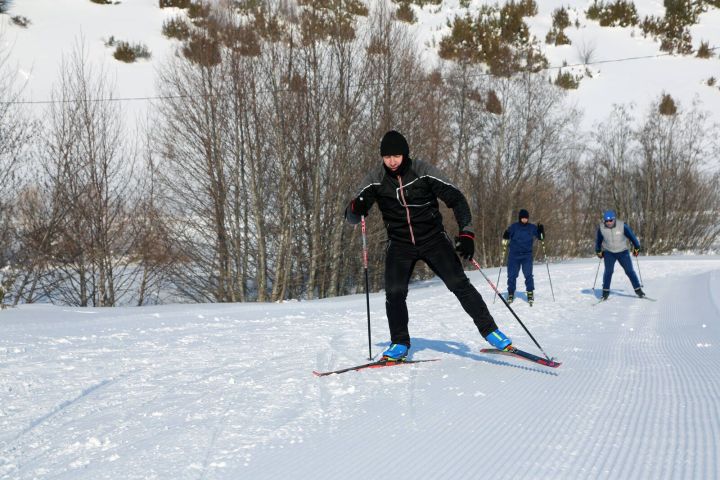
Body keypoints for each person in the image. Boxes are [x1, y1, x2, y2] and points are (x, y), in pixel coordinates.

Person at [344, 130, 512, 360]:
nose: (392, 161)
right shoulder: (375, 179)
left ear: (405, 154)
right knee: (394, 293)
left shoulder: (423, 172)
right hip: (399, 243)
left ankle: (492, 332)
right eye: (387, 157)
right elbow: (352, 216)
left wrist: (467, 234)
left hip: (433, 239)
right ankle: (399, 344)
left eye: (396, 156)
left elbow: (457, 198)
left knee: (458, 283)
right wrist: (356, 208)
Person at [595, 210, 645, 300]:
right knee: (608, 272)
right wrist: (598, 251)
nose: (608, 223)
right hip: (609, 252)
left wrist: (637, 247)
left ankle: (638, 290)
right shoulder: (601, 228)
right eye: (606, 221)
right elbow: (598, 241)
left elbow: (632, 237)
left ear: (614, 219)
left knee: (629, 271)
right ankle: (605, 293)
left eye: (610, 221)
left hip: (622, 251)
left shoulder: (622, 226)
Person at [502, 209, 544, 305]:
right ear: (520, 218)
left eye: (526, 218)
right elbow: (506, 236)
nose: (524, 220)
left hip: (527, 255)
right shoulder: (514, 227)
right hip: (514, 255)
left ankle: (530, 292)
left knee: (528, 275)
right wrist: (506, 234)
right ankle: (511, 293)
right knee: (512, 275)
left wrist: (541, 230)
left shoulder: (532, 227)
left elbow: (541, 237)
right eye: (523, 218)